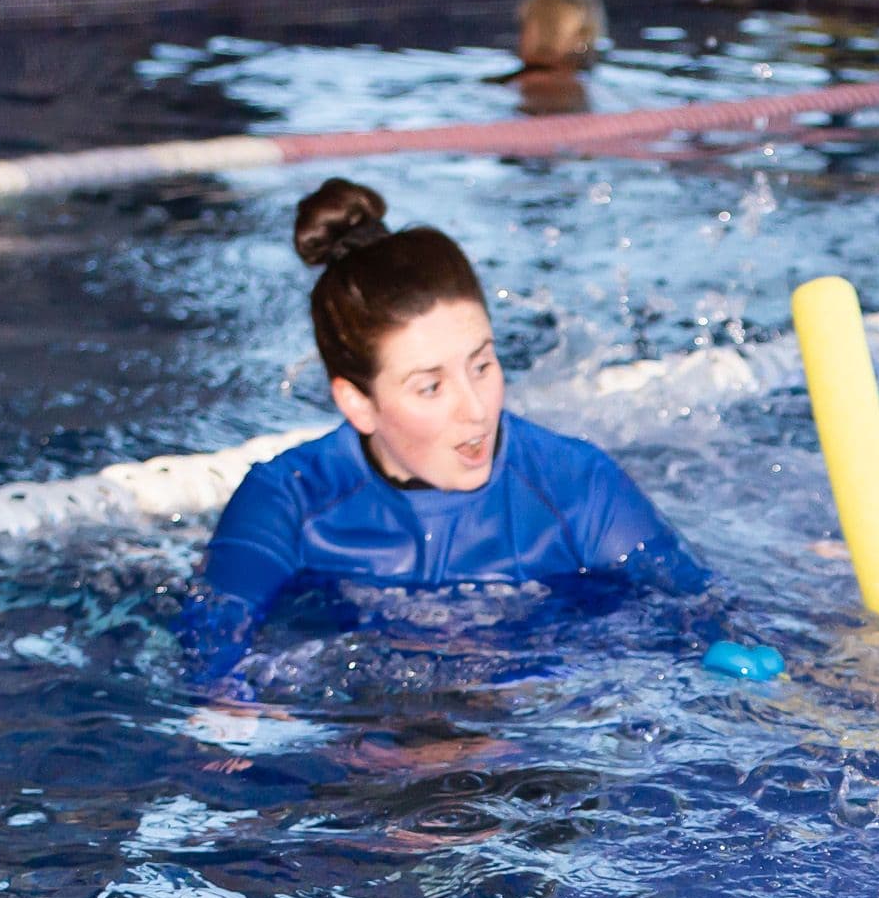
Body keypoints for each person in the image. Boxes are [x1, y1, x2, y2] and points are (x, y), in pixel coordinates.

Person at [186, 177, 701, 688]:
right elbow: (205, 660)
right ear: (358, 404)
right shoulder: (289, 503)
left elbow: (705, 617)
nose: (475, 411)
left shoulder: (578, 489)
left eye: (482, 366)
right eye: (431, 387)